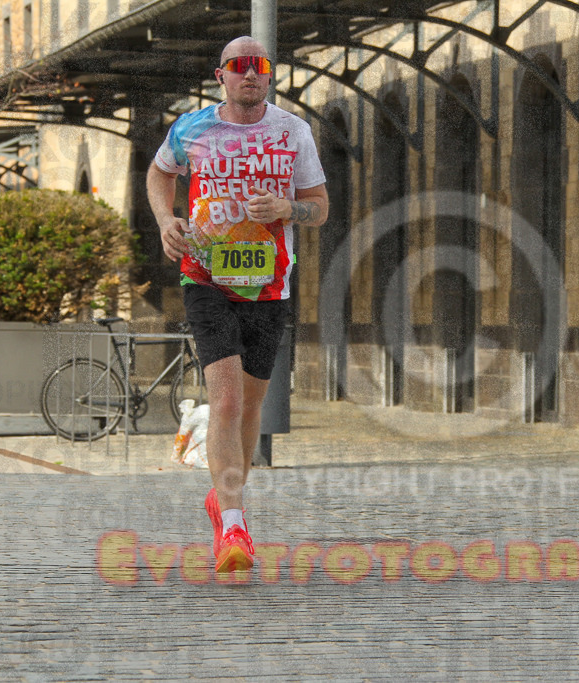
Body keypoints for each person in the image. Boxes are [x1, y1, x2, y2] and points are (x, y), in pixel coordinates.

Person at [146, 36, 328, 573]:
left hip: (269, 285)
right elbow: (160, 173)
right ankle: (234, 523)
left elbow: (319, 206)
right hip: (205, 277)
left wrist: (288, 207)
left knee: (252, 407)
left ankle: (224, 500)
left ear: (270, 77)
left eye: (260, 65)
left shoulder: (294, 132)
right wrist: (165, 221)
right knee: (224, 401)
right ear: (220, 75)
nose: (250, 73)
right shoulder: (192, 129)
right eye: (238, 66)